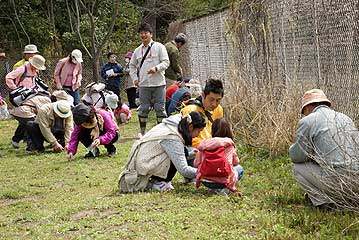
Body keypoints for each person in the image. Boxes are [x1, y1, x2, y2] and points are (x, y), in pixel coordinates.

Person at [289, 89, 359, 209]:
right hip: (356, 180)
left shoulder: (308, 121)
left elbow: (297, 156)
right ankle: (348, 199)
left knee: (298, 168)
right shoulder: (345, 118)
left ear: (309, 106)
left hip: (338, 182)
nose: (305, 114)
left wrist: (292, 148)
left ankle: (324, 203)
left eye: (304, 111)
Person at [118, 111, 206, 193]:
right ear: (191, 127)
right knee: (179, 152)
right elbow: (184, 169)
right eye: (198, 131)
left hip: (143, 161)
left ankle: (157, 181)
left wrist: (190, 154)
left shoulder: (172, 126)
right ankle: (159, 182)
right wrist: (206, 173)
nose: (198, 135)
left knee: (183, 151)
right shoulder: (172, 137)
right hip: (142, 169)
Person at [129, 23, 170, 136]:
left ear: (151, 34)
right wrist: (135, 78)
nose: (143, 35)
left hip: (159, 84)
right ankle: (143, 133)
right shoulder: (137, 50)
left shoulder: (159, 47)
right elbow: (132, 66)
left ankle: (160, 133)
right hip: (144, 85)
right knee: (143, 109)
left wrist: (156, 68)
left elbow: (166, 62)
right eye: (141, 33)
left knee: (160, 108)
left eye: (145, 33)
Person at [194, 118, 244, 196]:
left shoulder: (205, 144)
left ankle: (213, 189)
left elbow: (196, 163)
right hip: (224, 182)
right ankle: (223, 189)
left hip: (205, 181)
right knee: (239, 168)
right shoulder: (229, 145)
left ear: (213, 130)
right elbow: (236, 162)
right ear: (228, 130)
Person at [181, 78, 224, 148]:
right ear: (203, 95)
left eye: (218, 100)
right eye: (211, 100)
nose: (214, 104)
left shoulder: (218, 109)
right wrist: (208, 145)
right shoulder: (190, 110)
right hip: (196, 149)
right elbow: (187, 137)